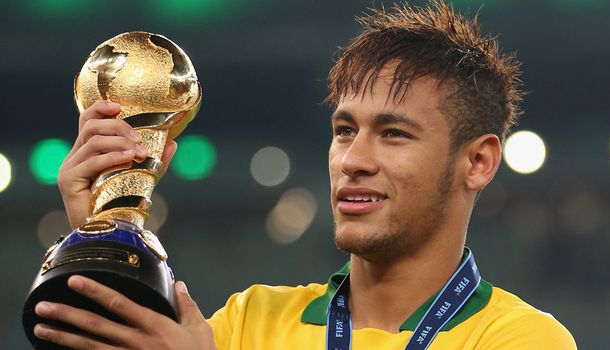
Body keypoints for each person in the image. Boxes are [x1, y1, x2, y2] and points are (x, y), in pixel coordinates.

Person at [34, 1, 576, 349]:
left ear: (477, 161)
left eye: (394, 134)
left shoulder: (519, 338)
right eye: (344, 130)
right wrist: (103, 231)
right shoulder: (249, 322)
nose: (352, 160)